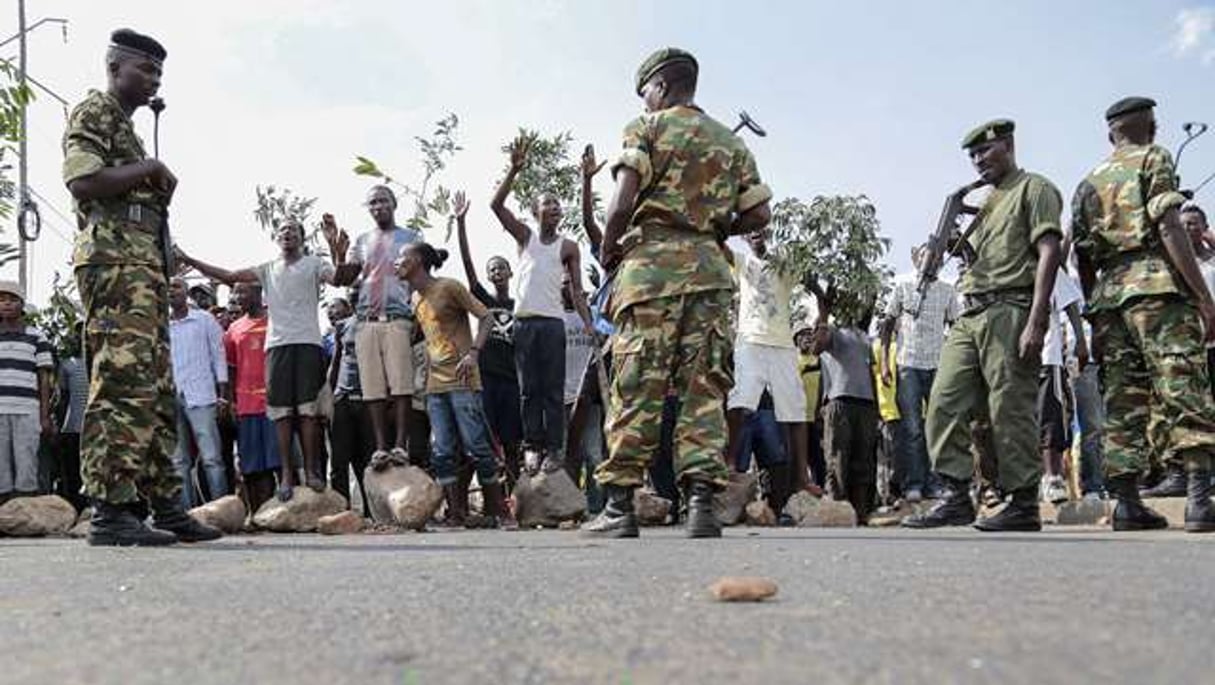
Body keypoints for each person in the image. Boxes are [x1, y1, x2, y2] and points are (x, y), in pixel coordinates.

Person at [582, 48, 772, 538]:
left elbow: (622, 200)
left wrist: (608, 248)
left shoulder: (646, 127)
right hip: (710, 273)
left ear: (660, 87)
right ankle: (702, 505)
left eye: (645, 91)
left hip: (652, 273)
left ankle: (620, 505)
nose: (645, 100)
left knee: (637, 385)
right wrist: (713, 224)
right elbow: (759, 215)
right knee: (704, 390)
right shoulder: (729, 143)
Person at [62, 29, 220, 545]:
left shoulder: (128, 130)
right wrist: (148, 168)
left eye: (158, 73)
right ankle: (111, 511)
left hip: (142, 268)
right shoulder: (95, 111)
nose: (153, 80)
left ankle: (166, 505)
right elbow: (82, 181)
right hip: (112, 264)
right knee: (121, 384)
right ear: (115, 68)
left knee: (155, 389)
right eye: (144, 70)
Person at [903, 118, 1062, 532]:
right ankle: (956, 495)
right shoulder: (987, 203)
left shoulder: (1035, 188)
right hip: (969, 312)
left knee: (1009, 407)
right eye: (972, 156)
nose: (978, 162)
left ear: (1008, 145)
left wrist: (1037, 319)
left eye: (985, 152)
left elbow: (1049, 251)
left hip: (1011, 308)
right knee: (942, 401)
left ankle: (1024, 502)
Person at [1071, 97, 1215, 533]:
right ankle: (1199, 500)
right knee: (1181, 383)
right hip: (1155, 287)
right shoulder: (1155, 157)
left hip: (1110, 298)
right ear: (1150, 127)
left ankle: (1128, 504)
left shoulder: (1088, 182)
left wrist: (1096, 313)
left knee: (1123, 399)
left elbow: (1081, 254)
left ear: (1110, 133)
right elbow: (1169, 225)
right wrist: (1203, 295)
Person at [178, 219, 336, 502]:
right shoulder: (266, 269)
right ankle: (287, 475)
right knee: (282, 414)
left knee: (309, 412)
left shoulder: (314, 264)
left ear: (301, 237)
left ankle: (311, 472)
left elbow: (341, 278)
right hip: (277, 347)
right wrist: (190, 259)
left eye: (294, 230)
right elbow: (228, 275)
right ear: (276, 238)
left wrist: (337, 249)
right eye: (283, 230)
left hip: (309, 343)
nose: (288, 233)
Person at [491, 136, 592, 475]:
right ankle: (532, 447)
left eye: (557, 204)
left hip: (552, 325)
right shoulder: (525, 237)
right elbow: (496, 206)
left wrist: (589, 326)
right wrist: (514, 170)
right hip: (524, 323)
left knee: (552, 390)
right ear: (535, 211)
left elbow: (577, 291)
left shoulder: (569, 247)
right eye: (546, 203)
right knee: (528, 389)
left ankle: (554, 450)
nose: (553, 207)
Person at [394, 240, 509, 527]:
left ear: (418, 261)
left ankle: (498, 512)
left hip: (462, 381)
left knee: (476, 446)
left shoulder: (448, 287)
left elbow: (486, 318)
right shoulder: (415, 298)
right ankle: (456, 513)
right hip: (435, 386)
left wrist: (473, 354)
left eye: (402, 257)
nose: (397, 262)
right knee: (442, 451)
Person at [323, 188, 422, 472]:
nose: (378, 206)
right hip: (366, 319)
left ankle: (400, 444)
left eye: (383, 200)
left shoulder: (411, 237)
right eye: (373, 202)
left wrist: (418, 316)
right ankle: (381, 447)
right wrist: (336, 251)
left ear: (394, 204)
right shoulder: (362, 241)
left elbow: (419, 277)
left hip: (398, 316)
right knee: (373, 389)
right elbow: (344, 278)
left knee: (402, 385)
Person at [724, 230, 811, 493]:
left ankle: (802, 478)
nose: (756, 235)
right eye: (750, 233)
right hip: (750, 340)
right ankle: (729, 461)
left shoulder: (784, 266)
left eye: (760, 231)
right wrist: (728, 222)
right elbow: (719, 245)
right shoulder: (743, 263)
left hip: (783, 344)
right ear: (745, 239)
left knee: (795, 410)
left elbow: (808, 275)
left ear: (769, 233)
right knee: (739, 401)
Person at [879, 245, 960, 501]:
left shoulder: (948, 289)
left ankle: (935, 483)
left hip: (937, 364)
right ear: (916, 259)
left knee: (936, 427)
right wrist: (883, 362)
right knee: (912, 428)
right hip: (908, 363)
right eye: (926, 256)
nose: (931, 261)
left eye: (936, 256)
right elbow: (888, 324)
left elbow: (957, 327)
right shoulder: (902, 285)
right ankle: (913, 484)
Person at [454, 191, 523, 483]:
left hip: (511, 380)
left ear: (509, 272)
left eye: (500, 267)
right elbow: (468, 265)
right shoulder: (483, 300)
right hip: (486, 378)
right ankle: (484, 498)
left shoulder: (521, 304)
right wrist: (461, 224)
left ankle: (516, 496)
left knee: (512, 442)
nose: (496, 272)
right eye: (491, 269)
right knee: (483, 437)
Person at [809, 289, 880, 523]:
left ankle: (860, 514)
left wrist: (877, 404)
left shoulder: (862, 335)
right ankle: (837, 511)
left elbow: (869, 371)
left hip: (866, 404)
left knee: (864, 460)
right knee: (838, 458)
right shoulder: (831, 331)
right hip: (840, 401)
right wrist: (824, 312)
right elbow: (815, 349)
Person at [168, 276, 230, 509]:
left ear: (186, 293)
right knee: (178, 460)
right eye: (167, 287)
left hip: (201, 396)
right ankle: (187, 514)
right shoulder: (162, 324)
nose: (171, 291)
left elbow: (218, 356)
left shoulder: (204, 320)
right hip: (172, 396)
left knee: (212, 458)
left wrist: (222, 393)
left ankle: (221, 509)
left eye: (176, 287)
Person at [223, 282, 281, 514]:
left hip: (274, 403)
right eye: (235, 292)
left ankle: (281, 511)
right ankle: (258, 513)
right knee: (251, 464)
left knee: (276, 461)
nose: (238, 297)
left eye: (243, 291)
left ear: (258, 293)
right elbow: (231, 369)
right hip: (246, 405)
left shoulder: (275, 322)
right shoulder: (233, 329)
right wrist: (230, 401)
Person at [1037, 266, 1087, 505]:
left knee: (1051, 417)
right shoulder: (1001, 265)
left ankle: (1053, 477)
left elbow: (1070, 303)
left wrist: (1080, 340)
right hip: (1011, 359)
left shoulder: (1049, 268)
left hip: (1047, 356)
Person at [0, 282, 54, 503]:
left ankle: (26, 514)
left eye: (12, 299)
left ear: (22, 305)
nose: (6, 304)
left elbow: (44, 380)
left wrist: (44, 416)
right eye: (2, 299)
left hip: (27, 410)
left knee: (27, 465)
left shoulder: (36, 337)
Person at [327, 286, 373, 515]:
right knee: (339, 462)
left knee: (366, 461)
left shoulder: (377, 323)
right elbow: (336, 362)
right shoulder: (342, 326)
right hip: (342, 399)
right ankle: (341, 510)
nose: (355, 295)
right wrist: (328, 396)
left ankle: (372, 513)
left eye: (359, 292)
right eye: (352, 292)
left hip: (368, 401)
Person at [55, 322, 88, 512]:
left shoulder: (104, 363)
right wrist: (59, 428)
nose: (82, 337)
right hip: (73, 428)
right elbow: (63, 398)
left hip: (98, 430)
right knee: (73, 473)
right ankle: (75, 510)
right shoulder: (68, 365)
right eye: (78, 333)